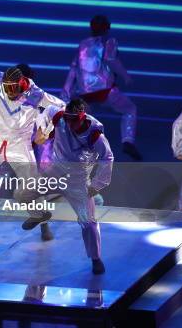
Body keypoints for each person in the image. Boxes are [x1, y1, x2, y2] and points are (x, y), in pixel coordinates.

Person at [0, 66, 64, 241]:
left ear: (21, 83)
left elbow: (60, 107)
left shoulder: (35, 94)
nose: (10, 91)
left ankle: (42, 221)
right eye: (7, 87)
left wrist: (46, 130)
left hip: (20, 145)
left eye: (14, 87)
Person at [34, 98, 114, 274]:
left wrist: (97, 184)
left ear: (82, 117)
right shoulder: (59, 117)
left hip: (78, 179)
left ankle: (96, 258)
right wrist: (42, 130)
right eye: (68, 119)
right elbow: (44, 113)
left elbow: (107, 158)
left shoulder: (95, 134)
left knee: (89, 223)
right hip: (56, 170)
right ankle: (42, 221)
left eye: (73, 120)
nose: (70, 124)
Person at [61, 15, 141, 160]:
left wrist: (66, 91)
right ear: (107, 28)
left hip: (84, 93)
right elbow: (111, 60)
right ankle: (128, 141)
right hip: (105, 90)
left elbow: (74, 68)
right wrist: (125, 76)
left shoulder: (83, 44)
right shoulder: (109, 41)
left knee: (84, 118)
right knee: (130, 109)